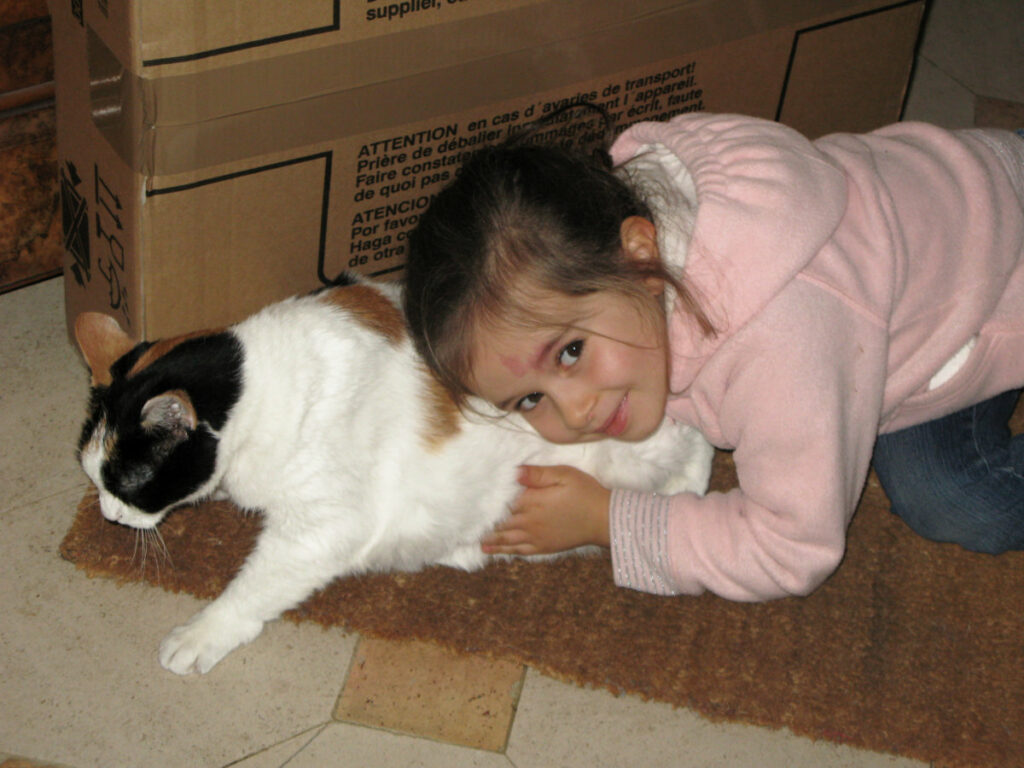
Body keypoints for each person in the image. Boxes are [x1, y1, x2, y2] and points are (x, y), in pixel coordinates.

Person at [402, 111, 1024, 601]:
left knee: (953, 497)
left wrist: (609, 521)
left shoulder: (778, 344)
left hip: (1002, 289)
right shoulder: (617, 228)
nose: (576, 412)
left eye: (569, 352)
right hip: (948, 215)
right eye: (530, 399)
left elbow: (792, 547)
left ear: (640, 256)